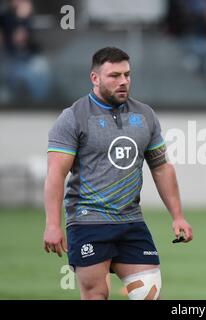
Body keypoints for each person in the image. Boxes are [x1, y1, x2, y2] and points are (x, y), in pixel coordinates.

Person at [43, 47, 193, 300]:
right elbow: (55, 175)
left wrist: (177, 216)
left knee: (149, 293)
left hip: (131, 221)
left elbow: (161, 167)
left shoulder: (145, 115)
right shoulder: (73, 117)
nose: (123, 81)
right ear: (95, 78)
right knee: (96, 294)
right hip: (88, 220)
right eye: (114, 75)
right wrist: (52, 225)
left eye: (127, 74)